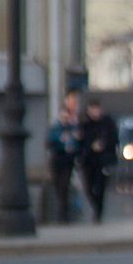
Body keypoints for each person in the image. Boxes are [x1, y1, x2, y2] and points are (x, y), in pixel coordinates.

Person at [79, 97, 120, 223]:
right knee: (89, 188)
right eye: (93, 110)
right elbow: (81, 141)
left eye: (97, 109)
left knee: (101, 186)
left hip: (103, 160)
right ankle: (95, 206)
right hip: (89, 160)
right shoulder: (85, 124)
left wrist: (103, 145)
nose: (95, 112)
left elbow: (114, 139)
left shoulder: (107, 123)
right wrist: (90, 147)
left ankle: (98, 213)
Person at [46, 96, 82, 224]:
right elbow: (49, 142)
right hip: (57, 159)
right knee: (58, 186)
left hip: (68, 160)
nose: (65, 119)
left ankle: (63, 215)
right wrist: (60, 140)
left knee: (64, 186)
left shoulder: (73, 129)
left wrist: (74, 142)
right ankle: (62, 213)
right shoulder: (56, 129)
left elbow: (77, 145)